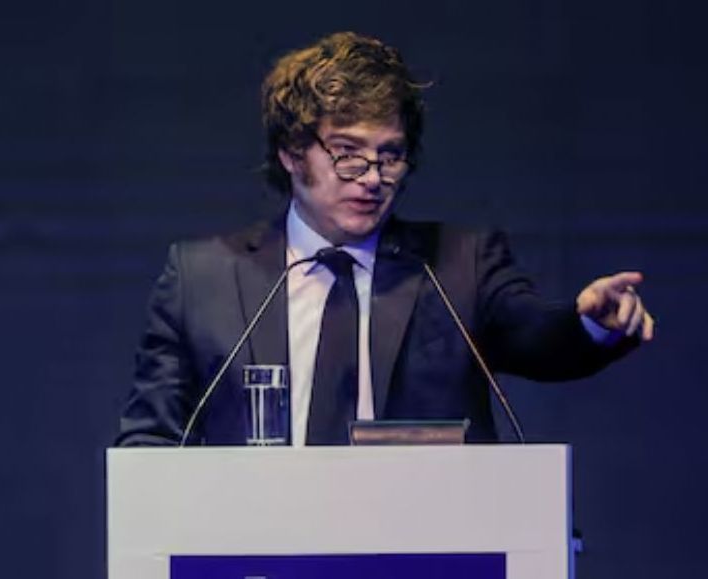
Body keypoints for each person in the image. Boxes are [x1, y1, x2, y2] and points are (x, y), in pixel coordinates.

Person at [116, 31, 654, 447]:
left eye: (390, 156)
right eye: (348, 154)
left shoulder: (459, 264)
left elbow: (536, 338)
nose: (372, 178)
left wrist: (590, 323)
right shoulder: (202, 279)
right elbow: (149, 443)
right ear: (292, 154)